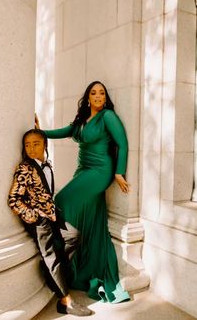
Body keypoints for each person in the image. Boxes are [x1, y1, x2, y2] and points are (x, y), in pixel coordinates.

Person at [35, 80, 130, 303]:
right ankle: (81, 265)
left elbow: (123, 143)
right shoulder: (82, 120)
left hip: (100, 171)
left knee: (61, 199)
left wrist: (119, 172)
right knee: (91, 218)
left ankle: (59, 252)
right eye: (94, 93)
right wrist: (39, 132)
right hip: (83, 169)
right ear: (88, 97)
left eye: (102, 93)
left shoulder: (107, 116)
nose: (98, 96)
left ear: (105, 98)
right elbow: (63, 131)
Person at [7, 129, 93, 316]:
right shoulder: (25, 168)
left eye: (35, 144)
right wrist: (34, 216)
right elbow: (13, 199)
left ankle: (51, 272)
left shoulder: (46, 164)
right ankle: (66, 301)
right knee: (51, 256)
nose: (31, 148)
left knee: (74, 236)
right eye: (27, 145)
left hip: (52, 216)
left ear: (44, 144)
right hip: (38, 221)